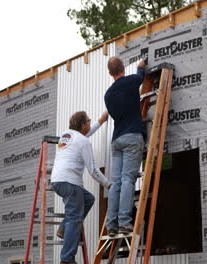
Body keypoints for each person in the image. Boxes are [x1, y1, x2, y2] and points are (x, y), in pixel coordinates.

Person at [50, 111, 111, 264]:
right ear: (83, 125)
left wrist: (100, 121)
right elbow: (93, 171)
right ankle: (67, 259)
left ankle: (64, 228)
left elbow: (83, 136)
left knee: (89, 199)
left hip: (58, 181)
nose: (90, 123)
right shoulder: (84, 142)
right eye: (89, 121)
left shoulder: (66, 135)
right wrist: (108, 184)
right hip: (71, 183)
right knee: (74, 219)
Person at [104, 57, 146, 236]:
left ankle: (111, 225)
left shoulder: (107, 95)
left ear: (109, 73)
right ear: (122, 68)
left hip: (117, 140)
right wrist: (140, 65)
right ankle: (124, 222)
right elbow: (141, 75)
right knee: (128, 179)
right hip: (132, 137)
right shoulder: (131, 82)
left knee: (117, 183)